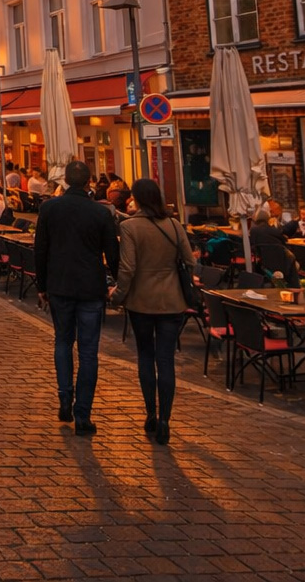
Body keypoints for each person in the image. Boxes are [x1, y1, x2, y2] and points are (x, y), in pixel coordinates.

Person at [33, 160, 116, 436]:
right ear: (89, 182)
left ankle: (65, 397)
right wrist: (115, 282)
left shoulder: (49, 208)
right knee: (89, 353)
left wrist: (42, 285)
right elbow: (112, 254)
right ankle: (83, 414)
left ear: (66, 181)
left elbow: (41, 249)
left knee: (63, 341)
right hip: (91, 288)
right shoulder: (101, 213)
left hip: (59, 285)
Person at [111, 178, 196, 446]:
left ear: (137, 199)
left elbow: (127, 268)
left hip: (141, 302)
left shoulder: (130, 227)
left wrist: (118, 295)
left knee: (146, 356)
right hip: (172, 301)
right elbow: (190, 261)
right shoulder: (173, 225)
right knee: (166, 360)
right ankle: (165, 420)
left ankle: (150, 413)